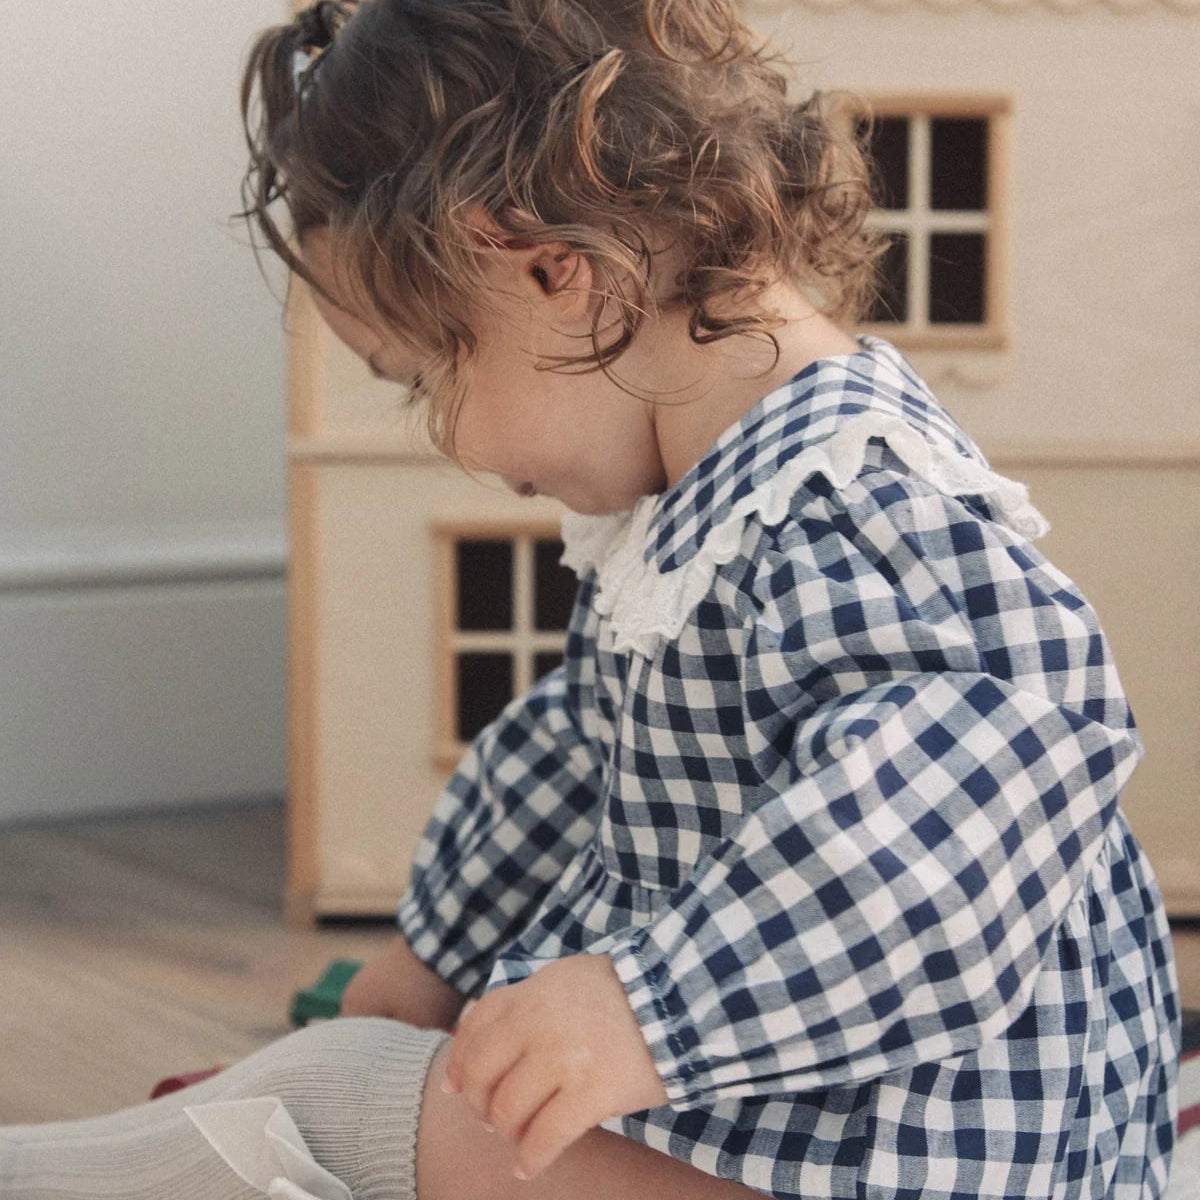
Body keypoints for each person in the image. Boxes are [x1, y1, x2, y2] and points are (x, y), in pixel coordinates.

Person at [1, 1, 1179, 1198]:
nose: (445, 437)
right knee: (368, 1073)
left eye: (425, 377)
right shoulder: (695, 514)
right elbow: (581, 752)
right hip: (797, 1126)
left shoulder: (851, 507)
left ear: (556, 271)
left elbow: (960, 816)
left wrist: (647, 1008)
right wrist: (433, 955)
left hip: (902, 1162)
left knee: (343, 1098)